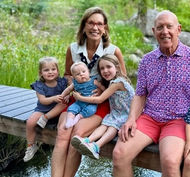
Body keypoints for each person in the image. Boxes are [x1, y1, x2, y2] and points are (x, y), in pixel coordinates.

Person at [112, 10, 190, 177]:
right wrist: (131, 119)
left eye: (169, 26)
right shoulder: (147, 61)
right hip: (150, 118)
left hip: (180, 119)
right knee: (119, 155)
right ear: (153, 31)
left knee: (170, 162)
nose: (165, 31)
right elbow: (140, 94)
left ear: (178, 29)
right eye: (160, 27)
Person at [51, 7, 126, 177]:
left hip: (100, 102)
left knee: (77, 135)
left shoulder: (113, 51)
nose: (95, 27)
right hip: (76, 100)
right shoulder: (72, 49)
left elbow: (122, 81)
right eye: (91, 23)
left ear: (105, 28)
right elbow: (68, 74)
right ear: (84, 26)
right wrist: (75, 85)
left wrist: (101, 90)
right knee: (63, 133)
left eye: (99, 24)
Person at [70, 54, 135, 160]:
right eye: (102, 68)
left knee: (113, 126)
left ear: (117, 67)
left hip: (127, 113)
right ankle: (87, 141)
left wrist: (79, 97)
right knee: (105, 124)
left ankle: (96, 146)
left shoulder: (118, 83)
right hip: (117, 112)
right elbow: (108, 93)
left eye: (108, 67)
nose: (105, 71)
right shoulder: (114, 82)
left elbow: (100, 99)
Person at [24, 57, 67, 162]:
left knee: (64, 104)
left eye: (53, 69)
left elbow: (68, 92)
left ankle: (46, 118)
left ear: (57, 71)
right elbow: (43, 100)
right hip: (43, 109)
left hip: (58, 110)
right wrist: (53, 98)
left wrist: (66, 96)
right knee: (30, 122)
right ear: (40, 73)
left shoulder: (62, 82)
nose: (50, 72)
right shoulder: (39, 85)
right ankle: (31, 146)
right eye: (46, 70)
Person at [60, 62, 104, 129]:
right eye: (78, 74)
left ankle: (79, 117)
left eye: (84, 71)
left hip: (91, 102)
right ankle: (70, 120)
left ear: (88, 72)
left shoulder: (94, 81)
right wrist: (62, 96)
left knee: (91, 110)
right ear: (74, 77)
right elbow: (68, 89)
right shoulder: (75, 84)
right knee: (72, 108)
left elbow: (102, 87)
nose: (81, 74)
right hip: (79, 102)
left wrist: (104, 91)